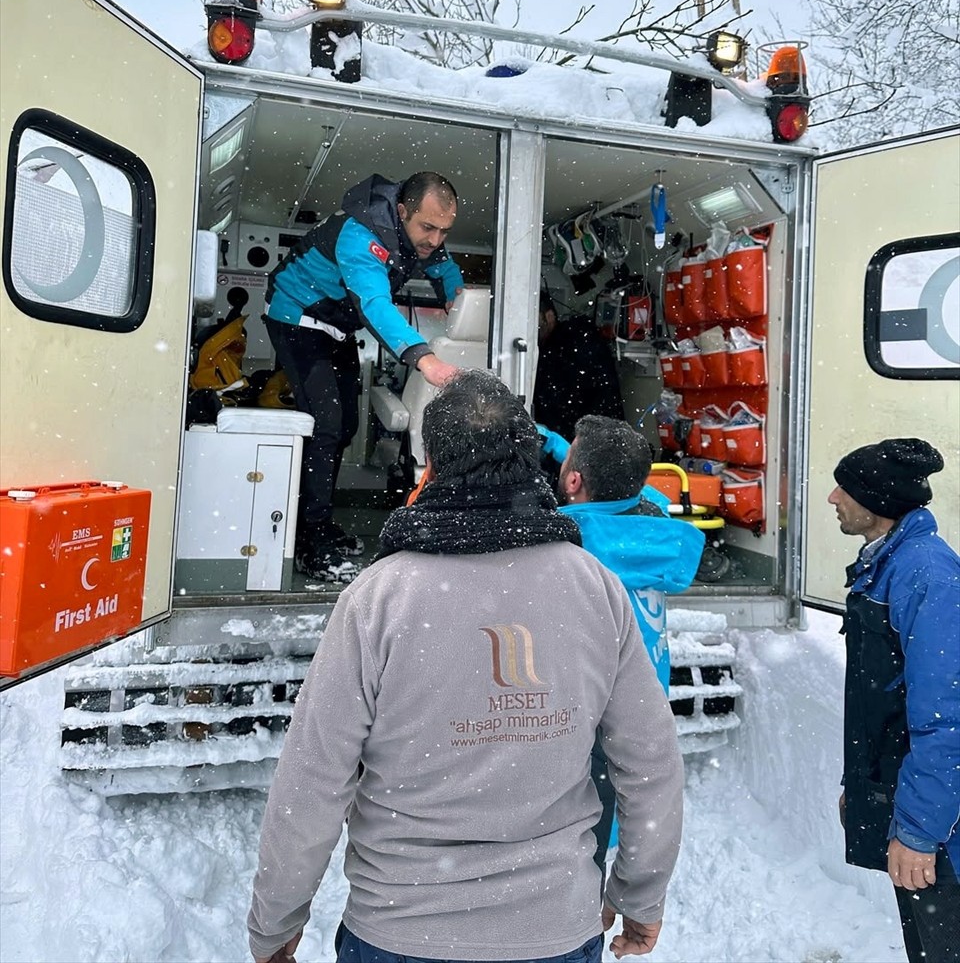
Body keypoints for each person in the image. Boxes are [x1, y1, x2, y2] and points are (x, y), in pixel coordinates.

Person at [247, 371, 684, 963]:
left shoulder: (380, 596)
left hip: (399, 932)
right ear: (532, 460)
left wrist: (276, 923)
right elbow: (651, 765)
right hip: (554, 930)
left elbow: (314, 779)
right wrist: (639, 897)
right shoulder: (595, 588)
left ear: (430, 465)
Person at [264, 171, 464, 581]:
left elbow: (445, 269)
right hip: (297, 317)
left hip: (335, 327)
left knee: (346, 426)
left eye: (444, 230)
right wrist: (425, 360)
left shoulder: (421, 239)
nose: (434, 240)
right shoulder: (360, 234)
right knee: (326, 425)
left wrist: (458, 305)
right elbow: (373, 302)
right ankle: (308, 541)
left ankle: (317, 523)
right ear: (403, 211)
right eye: (428, 227)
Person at [554, 414, 704, 878]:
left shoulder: (568, 545)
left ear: (574, 479)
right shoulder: (655, 531)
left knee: (573, 856)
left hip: (589, 721)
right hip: (641, 712)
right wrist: (559, 445)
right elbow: (636, 491)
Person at [829, 438, 960, 963]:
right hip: (905, 799)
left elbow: (946, 721)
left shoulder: (927, 575)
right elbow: (878, 700)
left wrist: (919, 832)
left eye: (847, 488)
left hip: (943, 832)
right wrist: (859, 789)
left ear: (878, 503)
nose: (834, 498)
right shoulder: (888, 564)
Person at [533, 292, 624, 445]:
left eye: (534, 321)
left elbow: (560, 405)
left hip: (587, 439)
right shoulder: (576, 339)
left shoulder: (565, 348)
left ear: (549, 316)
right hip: (599, 436)